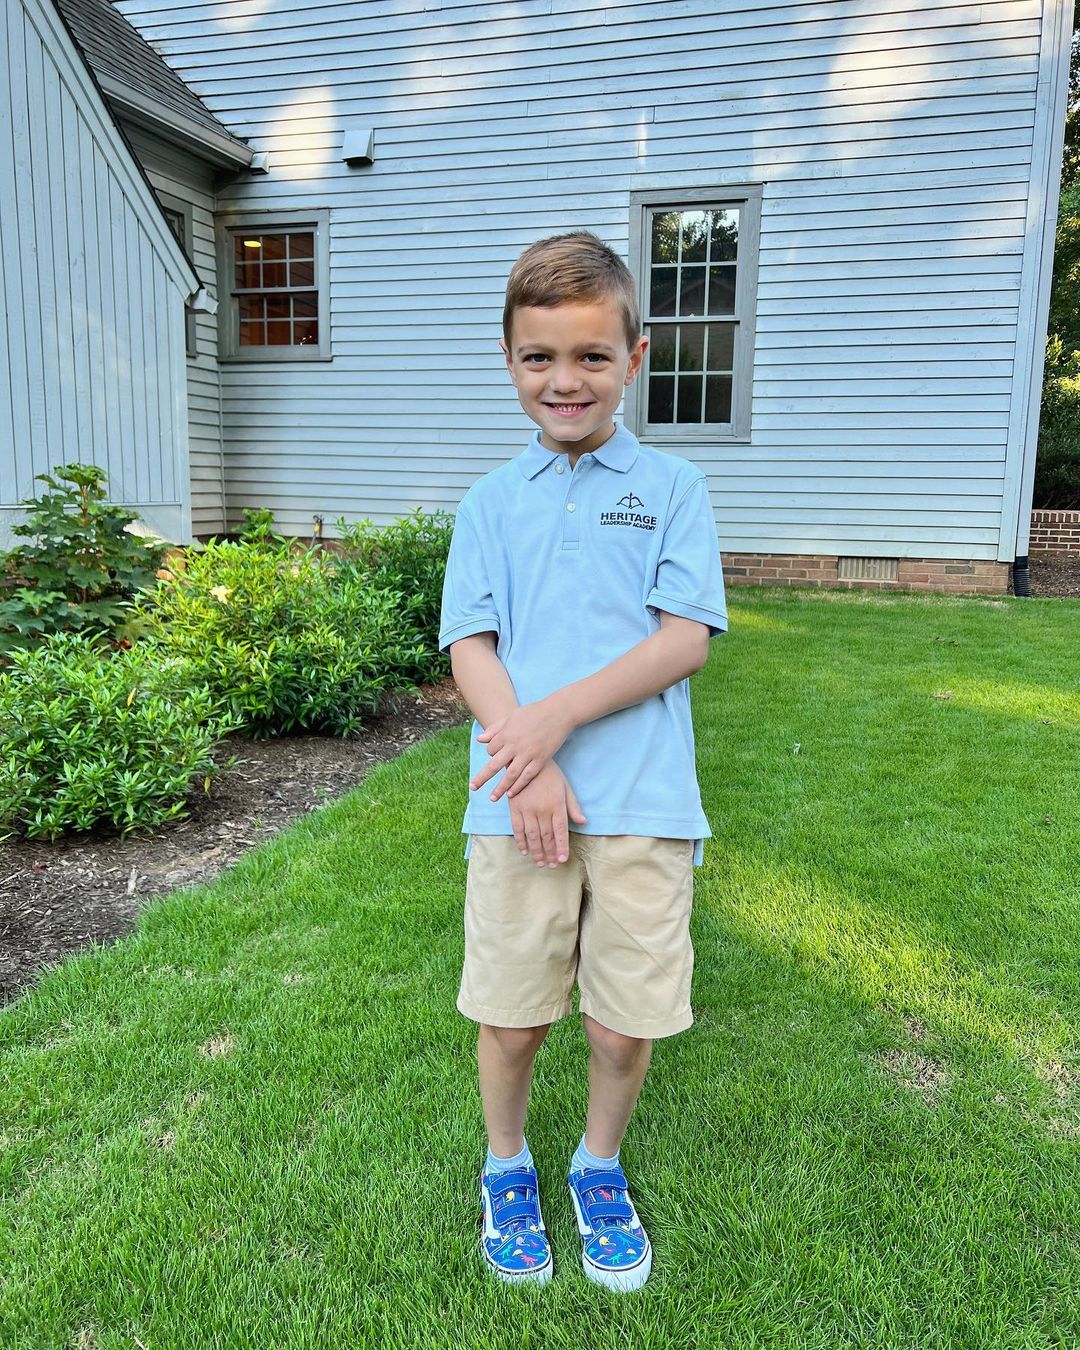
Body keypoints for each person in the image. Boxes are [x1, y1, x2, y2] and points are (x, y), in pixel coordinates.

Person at [437, 230, 728, 1292]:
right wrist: (530, 764)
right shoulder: (488, 502)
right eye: (540, 357)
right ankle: (506, 1166)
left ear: (635, 358)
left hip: (647, 803)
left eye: (592, 356)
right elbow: (471, 645)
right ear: (509, 360)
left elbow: (682, 640)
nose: (566, 380)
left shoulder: (674, 487)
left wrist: (552, 721)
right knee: (512, 1017)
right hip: (516, 806)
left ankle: (597, 1168)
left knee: (620, 1023)